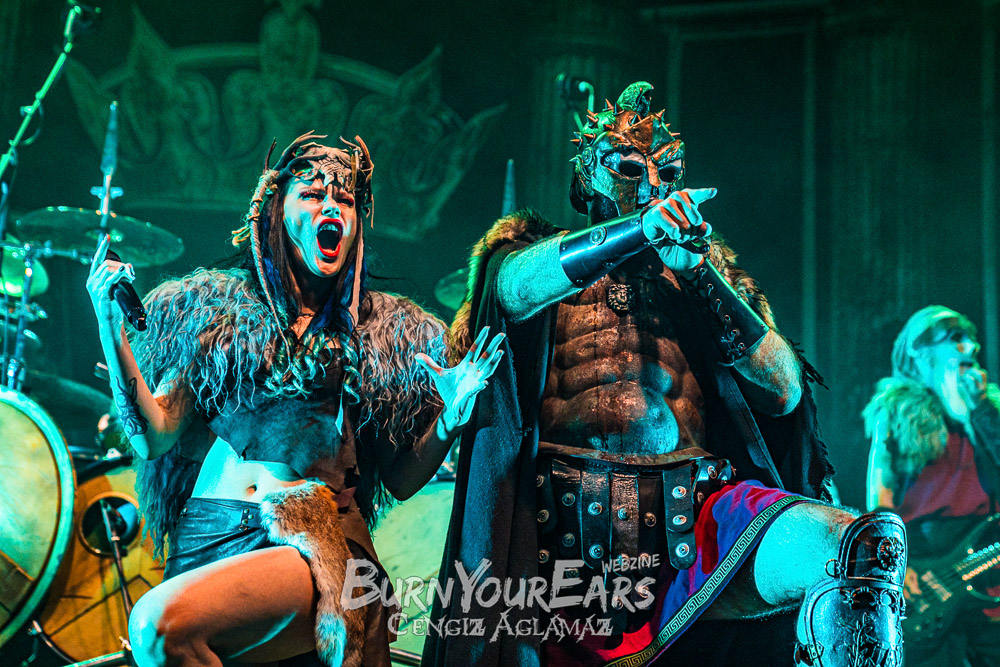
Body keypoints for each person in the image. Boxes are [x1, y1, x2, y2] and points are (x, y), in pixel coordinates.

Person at [423, 83, 906, 667]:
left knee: (862, 548)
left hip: (696, 524)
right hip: (554, 541)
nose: (652, 183)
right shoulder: (531, 254)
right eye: (629, 167)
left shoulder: (702, 273)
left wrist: (701, 274)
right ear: (587, 177)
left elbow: (783, 390)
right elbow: (511, 288)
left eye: (667, 171)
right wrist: (642, 229)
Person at [85, 133, 504, 667]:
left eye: (345, 199)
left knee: (156, 627)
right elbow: (153, 436)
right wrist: (109, 323)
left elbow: (399, 479)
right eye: (312, 193)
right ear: (275, 213)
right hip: (208, 535)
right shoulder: (213, 310)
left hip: (313, 544)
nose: (331, 206)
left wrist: (449, 419)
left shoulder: (383, 332)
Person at [864, 305, 1000, 667]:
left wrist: (983, 409)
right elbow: (880, 500)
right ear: (921, 353)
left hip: (989, 562)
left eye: (972, 337)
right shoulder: (895, 413)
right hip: (925, 568)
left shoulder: (990, 410)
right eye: (956, 337)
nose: (972, 346)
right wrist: (895, 564)